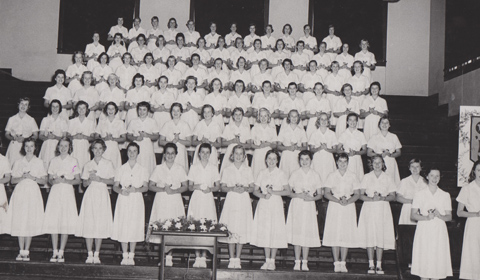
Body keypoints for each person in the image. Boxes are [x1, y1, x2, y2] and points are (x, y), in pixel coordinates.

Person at [4, 137, 47, 261]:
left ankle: (26, 251)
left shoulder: (39, 162)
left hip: (33, 192)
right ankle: (20, 250)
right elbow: (12, 180)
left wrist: (33, 177)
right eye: (27, 146)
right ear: (23, 147)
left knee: (29, 219)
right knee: (20, 219)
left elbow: (43, 181)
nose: (29, 149)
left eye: (31, 146)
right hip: (20, 193)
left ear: (35, 148)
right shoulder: (18, 162)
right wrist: (22, 177)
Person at [148, 142, 189, 266]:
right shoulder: (159, 168)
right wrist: (163, 190)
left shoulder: (180, 168)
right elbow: (150, 185)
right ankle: (163, 257)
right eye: (168, 153)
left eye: (172, 153)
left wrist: (174, 191)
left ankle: (169, 257)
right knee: (161, 226)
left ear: (176, 155)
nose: (170, 155)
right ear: (164, 155)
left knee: (172, 226)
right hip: (161, 200)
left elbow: (185, 186)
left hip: (175, 199)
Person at [76, 139, 115, 264]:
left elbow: (112, 181)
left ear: (103, 150)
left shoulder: (108, 163)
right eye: (95, 148)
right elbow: (84, 184)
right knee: (89, 222)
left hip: (102, 193)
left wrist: (100, 179)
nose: (97, 151)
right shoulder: (88, 164)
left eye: (100, 148)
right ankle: (89, 254)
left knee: (100, 222)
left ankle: (97, 254)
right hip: (91, 194)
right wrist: (89, 180)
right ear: (92, 150)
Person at [43, 137, 81, 263]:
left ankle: (61, 252)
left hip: (67, 192)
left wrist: (66, 181)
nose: (63, 148)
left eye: (66, 146)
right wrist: (54, 180)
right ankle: (54, 252)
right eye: (61, 146)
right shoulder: (53, 161)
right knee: (54, 220)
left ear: (70, 148)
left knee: (65, 220)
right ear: (58, 147)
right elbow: (49, 179)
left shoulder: (73, 161)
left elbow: (78, 180)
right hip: (55, 192)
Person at [251, 150, 290, 271]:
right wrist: (263, 196)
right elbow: (255, 190)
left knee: (275, 230)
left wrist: (274, 192)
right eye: (269, 158)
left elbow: (287, 191)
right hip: (264, 203)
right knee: (265, 231)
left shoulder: (281, 173)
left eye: (274, 159)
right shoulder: (262, 173)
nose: (271, 161)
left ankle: (272, 261)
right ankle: (267, 260)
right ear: (266, 160)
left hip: (276, 204)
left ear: (277, 160)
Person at [411, 168, 453, 279]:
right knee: (424, 263)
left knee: (437, 264)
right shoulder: (419, 194)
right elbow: (413, 215)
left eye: (437, 176)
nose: (434, 178)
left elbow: (449, 217)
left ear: (440, 178)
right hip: (424, 230)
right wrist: (426, 217)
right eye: (432, 175)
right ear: (427, 176)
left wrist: (440, 215)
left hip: (439, 231)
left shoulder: (445, 195)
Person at [357, 155, 396, 275]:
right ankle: (371, 264)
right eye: (375, 163)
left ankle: (379, 264)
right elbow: (360, 195)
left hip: (383, 208)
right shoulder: (367, 177)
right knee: (370, 234)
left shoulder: (388, 177)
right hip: (369, 208)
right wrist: (371, 199)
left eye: (379, 163)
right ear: (371, 164)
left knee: (381, 234)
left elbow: (393, 196)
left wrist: (383, 197)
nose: (377, 165)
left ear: (383, 164)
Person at [112, 142, 149, 266]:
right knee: (123, 224)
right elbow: (115, 187)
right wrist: (121, 191)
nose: (132, 153)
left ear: (138, 153)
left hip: (136, 200)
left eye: (134, 151)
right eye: (130, 151)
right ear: (126, 152)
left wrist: (136, 190)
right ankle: (124, 255)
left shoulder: (143, 169)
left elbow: (146, 187)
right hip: (123, 199)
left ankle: (131, 255)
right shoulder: (121, 169)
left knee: (134, 225)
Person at [323, 153, 360, 273]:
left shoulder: (353, 176)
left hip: (348, 206)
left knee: (346, 232)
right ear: (337, 162)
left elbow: (357, 193)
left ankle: (343, 262)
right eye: (340, 161)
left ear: (348, 163)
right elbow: (326, 193)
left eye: (345, 162)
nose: (343, 164)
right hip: (335, 205)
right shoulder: (331, 175)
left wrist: (348, 201)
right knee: (335, 232)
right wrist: (338, 200)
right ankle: (336, 262)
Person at [286, 150, 323, 271]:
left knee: (306, 232)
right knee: (297, 231)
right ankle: (297, 261)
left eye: (307, 159)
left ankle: (305, 262)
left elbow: (320, 195)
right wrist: (298, 195)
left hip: (309, 205)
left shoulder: (315, 174)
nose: (304, 162)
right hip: (297, 204)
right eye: (302, 159)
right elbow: (288, 192)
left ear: (311, 160)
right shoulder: (295, 173)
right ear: (299, 161)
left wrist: (311, 198)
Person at [219, 145, 255, 269]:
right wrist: (232, 188)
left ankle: (238, 258)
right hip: (231, 200)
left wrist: (244, 188)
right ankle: (231, 258)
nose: (238, 156)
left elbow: (252, 187)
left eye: (241, 154)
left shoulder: (248, 170)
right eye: (236, 154)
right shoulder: (227, 170)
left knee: (241, 227)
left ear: (244, 156)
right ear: (232, 155)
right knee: (231, 227)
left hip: (243, 200)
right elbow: (222, 187)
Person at [187, 143, 221, 268]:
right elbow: (190, 187)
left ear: (210, 154)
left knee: (207, 226)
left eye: (207, 152)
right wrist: (197, 186)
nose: (205, 155)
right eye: (203, 152)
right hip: (196, 198)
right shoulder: (194, 167)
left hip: (208, 198)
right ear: (199, 153)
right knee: (196, 225)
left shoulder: (213, 167)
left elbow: (218, 186)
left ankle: (204, 256)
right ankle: (197, 257)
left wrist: (210, 189)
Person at [396, 158, 427, 269]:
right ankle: (408, 261)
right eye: (412, 166)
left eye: (417, 166)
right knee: (407, 237)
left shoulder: (425, 181)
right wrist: (412, 201)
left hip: (421, 212)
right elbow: (398, 198)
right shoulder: (404, 181)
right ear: (409, 168)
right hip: (407, 211)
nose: (415, 169)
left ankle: (419, 261)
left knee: (420, 236)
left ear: (421, 168)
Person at [457, 161, 480, 280]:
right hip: (473, 224)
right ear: (474, 172)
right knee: (473, 254)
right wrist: (475, 214)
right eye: (478, 170)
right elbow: (459, 212)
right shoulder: (467, 188)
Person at [367, 117, 402, 186]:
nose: (384, 124)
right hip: (378, 163)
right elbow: (369, 153)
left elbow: (399, 152)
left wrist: (391, 155)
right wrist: (379, 155)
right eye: (382, 122)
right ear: (379, 125)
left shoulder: (394, 136)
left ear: (389, 125)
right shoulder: (374, 137)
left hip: (391, 162)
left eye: (387, 123)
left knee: (391, 183)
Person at [127, 102, 159, 175]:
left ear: (148, 111)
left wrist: (147, 135)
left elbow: (156, 137)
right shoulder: (133, 121)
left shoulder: (152, 121)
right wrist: (135, 138)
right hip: (136, 147)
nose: (142, 112)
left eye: (144, 110)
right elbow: (128, 136)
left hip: (148, 148)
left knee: (148, 166)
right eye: (140, 110)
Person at [5, 97, 39, 167]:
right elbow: (6, 134)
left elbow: (36, 135)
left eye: (26, 104)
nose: (23, 106)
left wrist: (26, 139)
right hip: (14, 146)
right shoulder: (12, 119)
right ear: (18, 105)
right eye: (22, 104)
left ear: (28, 107)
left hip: (26, 147)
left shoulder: (31, 120)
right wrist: (13, 138)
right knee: (12, 165)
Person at [158, 103, 192, 172]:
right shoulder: (167, 124)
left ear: (181, 112)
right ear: (171, 112)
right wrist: (171, 142)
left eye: (178, 111)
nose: (175, 113)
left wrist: (178, 140)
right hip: (168, 152)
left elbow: (189, 142)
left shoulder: (185, 125)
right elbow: (160, 141)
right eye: (173, 110)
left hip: (181, 154)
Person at [39, 100, 68, 170]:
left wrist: (55, 137)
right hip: (47, 146)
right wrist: (47, 137)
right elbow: (40, 136)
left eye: (57, 107)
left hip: (58, 147)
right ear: (50, 108)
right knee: (45, 166)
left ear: (60, 108)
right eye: (53, 106)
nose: (55, 109)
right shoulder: (45, 120)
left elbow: (64, 138)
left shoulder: (63, 121)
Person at [220, 107, 251, 174]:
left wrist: (240, 143)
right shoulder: (228, 127)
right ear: (233, 116)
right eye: (236, 114)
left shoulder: (246, 128)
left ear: (243, 116)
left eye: (240, 114)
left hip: (241, 153)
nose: (238, 116)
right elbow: (222, 143)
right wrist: (232, 141)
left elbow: (249, 145)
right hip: (230, 153)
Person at [95, 102, 126, 169]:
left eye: (112, 109)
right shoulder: (102, 122)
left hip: (114, 149)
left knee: (115, 168)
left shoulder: (120, 122)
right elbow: (96, 137)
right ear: (106, 110)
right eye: (109, 109)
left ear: (116, 110)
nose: (110, 111)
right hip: (103, 150)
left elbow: (124, 138)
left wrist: (113, 139)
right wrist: (104, 139)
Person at [337, 113, 367, 181]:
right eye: (350, 120)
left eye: (354, 120)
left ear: (357, 122)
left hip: (357, 160)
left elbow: (365, 150)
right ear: (347, 122)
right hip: (346, 161)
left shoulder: (361, 134)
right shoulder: (343, 134)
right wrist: (347, 153)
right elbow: (338, 149)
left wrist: (356, 152)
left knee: (357, 180)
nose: (352, 122)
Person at [277, 109, 307, 177]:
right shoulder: (283, 130)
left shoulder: (301, 130)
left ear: (298, 118)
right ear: (289, 117)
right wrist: (288, 147)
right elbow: (278, 146)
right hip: (286, 156)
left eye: (296, 116)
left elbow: (305, 147)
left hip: (297, 156)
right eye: (292, 116)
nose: (294, 118)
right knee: (285, 176)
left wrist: (298, 148)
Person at [308, 113, 338, 182]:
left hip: (329, 160)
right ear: (318, 121)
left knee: (329, 180)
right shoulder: (314, 134)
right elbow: (311, 150)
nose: (323, 121)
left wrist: (326, 149)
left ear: (328, 121)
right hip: (317, 160)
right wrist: (319, 148)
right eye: (322, 119)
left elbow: (335, 149)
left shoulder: (332, 133)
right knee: (317, 180)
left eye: (325, 119)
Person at [67, 101, 95, 171]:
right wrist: (74, 137)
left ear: (87, 110)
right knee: (73, 166)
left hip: (85, 147)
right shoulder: (71, 121)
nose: (81, 110)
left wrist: (84, 137)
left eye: (83, 108)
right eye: (79, 108)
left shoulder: (91, 122)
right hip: (74, 146)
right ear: (76, 109)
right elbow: (67, 137)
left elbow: (92, 138)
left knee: (84, 165)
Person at [251, 108, 277, 179]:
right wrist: (259, 146)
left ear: (268, 117)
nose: (263, 118)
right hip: (258, 153)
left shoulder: (272, 129)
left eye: (265, 116)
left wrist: (268, 144)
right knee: (257, 173)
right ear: (258, 117)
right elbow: (251, 144)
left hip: (268, 154)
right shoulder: (254, 128)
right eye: (261, 116)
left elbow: (275, 145)